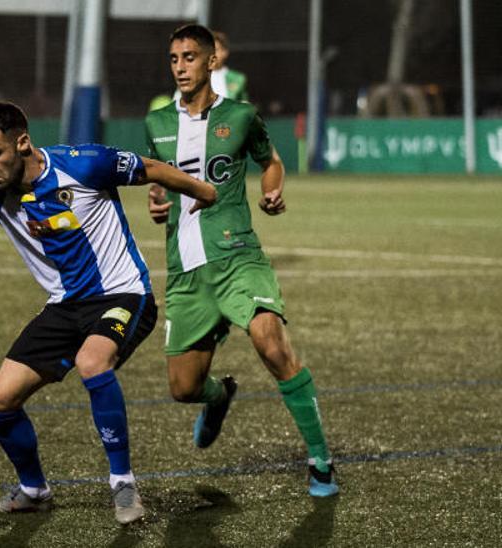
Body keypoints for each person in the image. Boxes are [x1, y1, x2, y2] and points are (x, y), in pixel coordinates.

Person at [0, 101, 217, 524]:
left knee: (92, 361)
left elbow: (150, 168)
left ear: (22, 142)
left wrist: (203, 191)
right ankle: (34, 489)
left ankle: (123, 485)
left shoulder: (84, 164)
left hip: (123, 293)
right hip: (64, 307)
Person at [145, 24, 338, 497]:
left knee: (272, 346)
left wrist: (272, 189)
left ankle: (320, 462)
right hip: (186, 270)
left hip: (238, 257)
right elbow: (157, 178)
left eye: (190, 57)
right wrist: (156, 200)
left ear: (212, 62)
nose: (181, 67)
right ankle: (219, 397)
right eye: (174, 59)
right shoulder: (157, 123)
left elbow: (270, 160)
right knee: (184, 389)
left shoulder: (242, 115)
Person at [210, 31, 249, 102]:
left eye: (215, 50)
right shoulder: (196, 77)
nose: (212, 54)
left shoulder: (238, 79)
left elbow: (244, 107)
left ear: (225, 52)